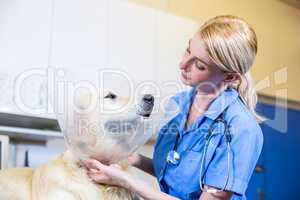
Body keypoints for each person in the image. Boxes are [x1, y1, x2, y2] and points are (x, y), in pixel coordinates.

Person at [83, 15, 264, 200]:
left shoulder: (241, 130)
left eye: (200, 65)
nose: (182, 64)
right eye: (187, 50)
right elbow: (174, 172)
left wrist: (127, 181)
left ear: (230, 78)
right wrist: (131, 158)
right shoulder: (178, 104)